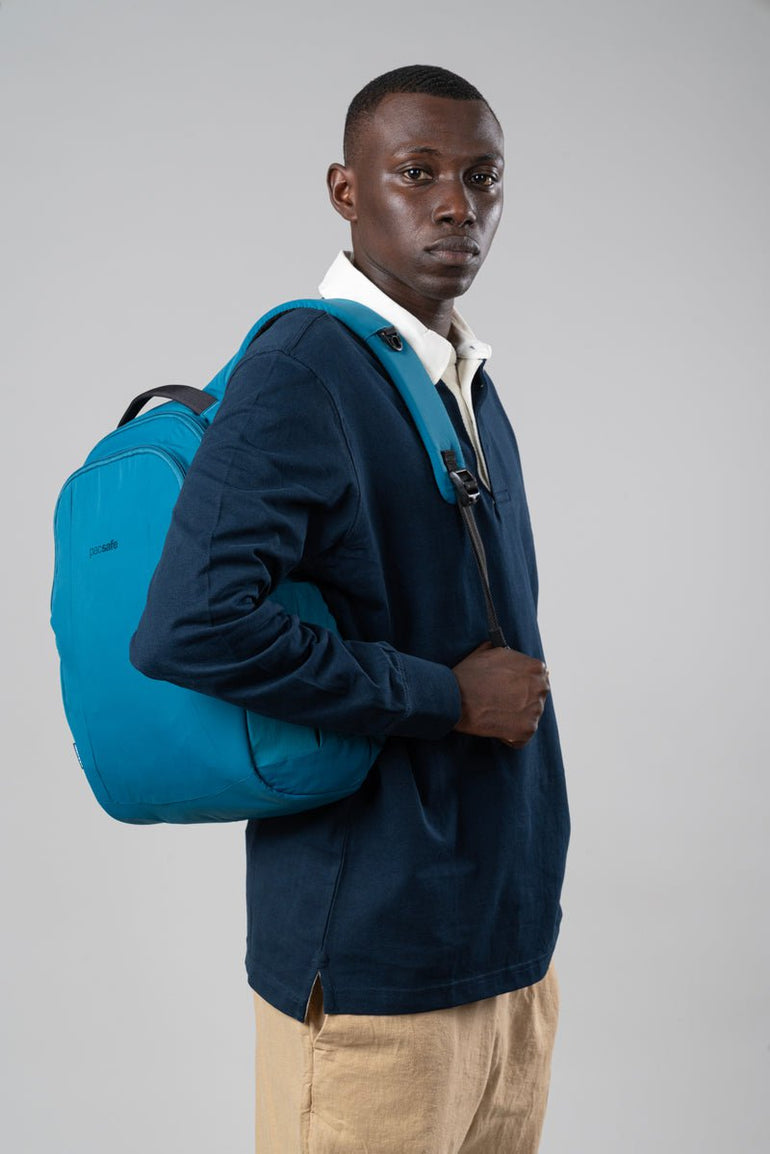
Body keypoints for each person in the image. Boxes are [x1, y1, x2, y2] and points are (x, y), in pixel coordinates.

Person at [130, 64, 571, 1154]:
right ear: (346, 189)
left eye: (482, 177)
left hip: (508, 959)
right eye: (417, 173)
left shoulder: (459, 376)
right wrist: (442, 696)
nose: (456, 204)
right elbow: (189, 623)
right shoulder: (303, 369)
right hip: (376, 973)